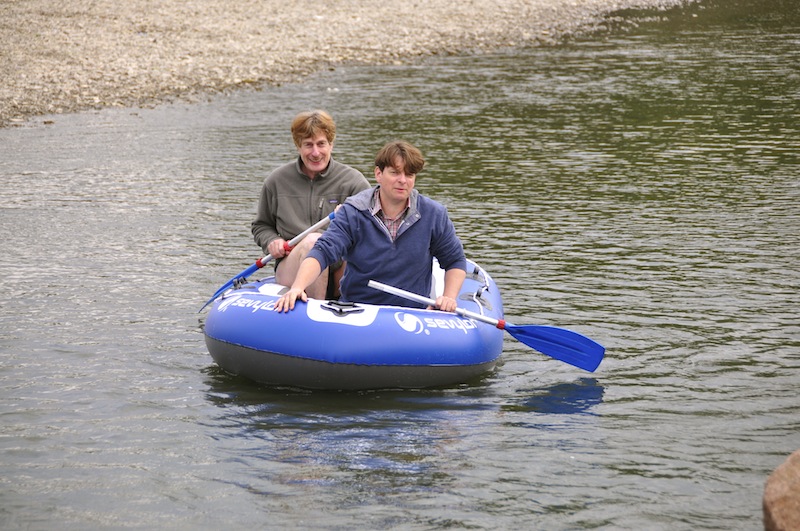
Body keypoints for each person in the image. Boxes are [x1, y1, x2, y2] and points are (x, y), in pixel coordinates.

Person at [274, 140, 467, 313]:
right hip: (358, 310)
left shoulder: (434, 214)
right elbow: (323, 252)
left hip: (412, 313)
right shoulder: (353, 211)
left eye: (409, 174)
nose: (403, 180)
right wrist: (298, 287)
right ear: (378, 174)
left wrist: (448, 298)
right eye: (395, 172)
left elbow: (455, 260)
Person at [251, 110, 371, 299]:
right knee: (314, 243)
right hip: (294, 262)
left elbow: (372, 229)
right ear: (298, 146)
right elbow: (261, 226)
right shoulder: (276, 181)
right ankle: (314, 308)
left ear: (331, 144)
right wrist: (271, 241)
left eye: (321, 144)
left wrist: (351, 220)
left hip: (339, 263)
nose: (315, 153)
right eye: (308, 145)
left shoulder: (354, 182)